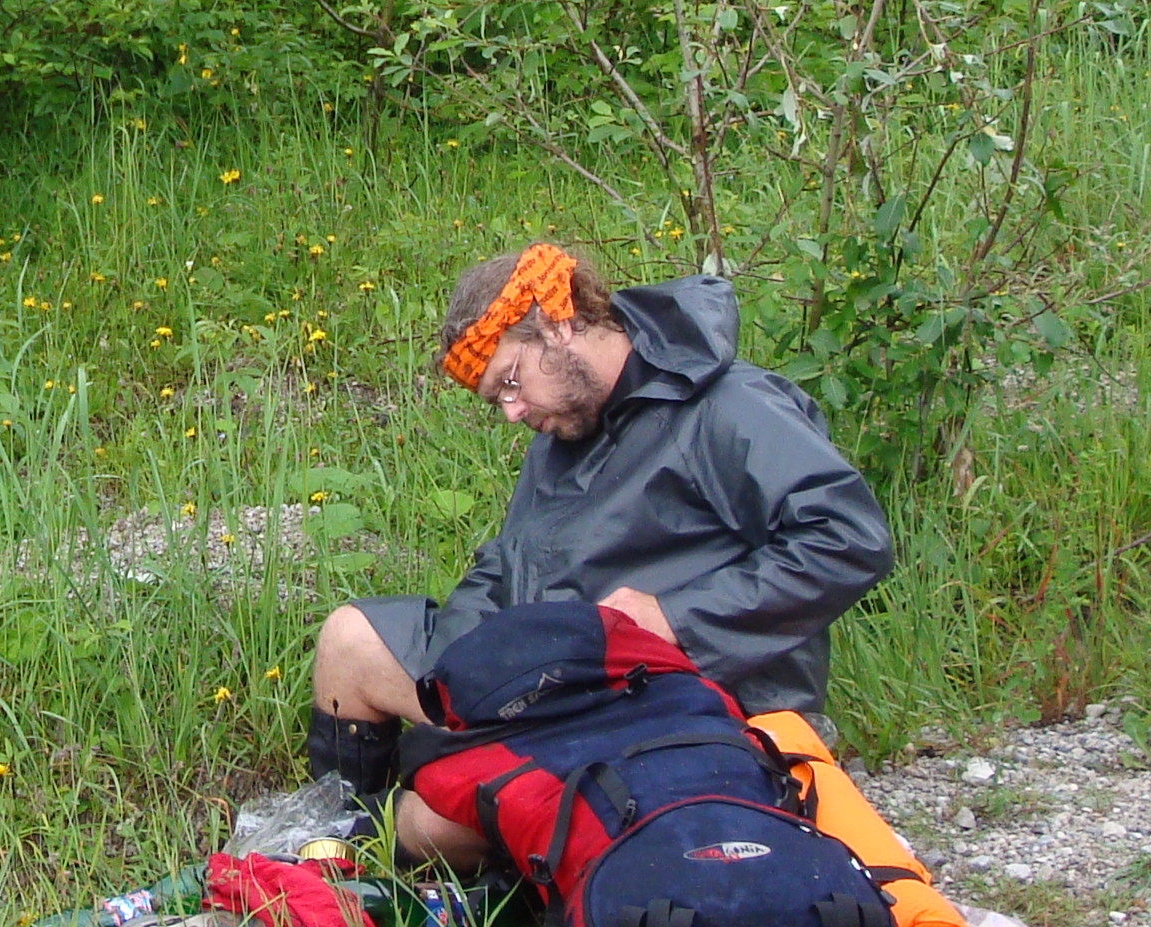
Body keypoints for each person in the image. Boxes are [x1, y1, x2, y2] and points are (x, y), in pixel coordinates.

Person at [306, 244, 893, 862]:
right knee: (352, 641)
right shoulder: (568, 425)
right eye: (495, 399)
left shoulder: (728, 406)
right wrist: (468, 668)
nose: (511, 412)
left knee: (432, 821)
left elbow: (847, 538)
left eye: (510, 382)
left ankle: (366, 852)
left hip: (680, 707)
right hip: (559, 688)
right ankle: (334, 832)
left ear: (557, 323)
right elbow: (508, 560)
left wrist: (674, 618)